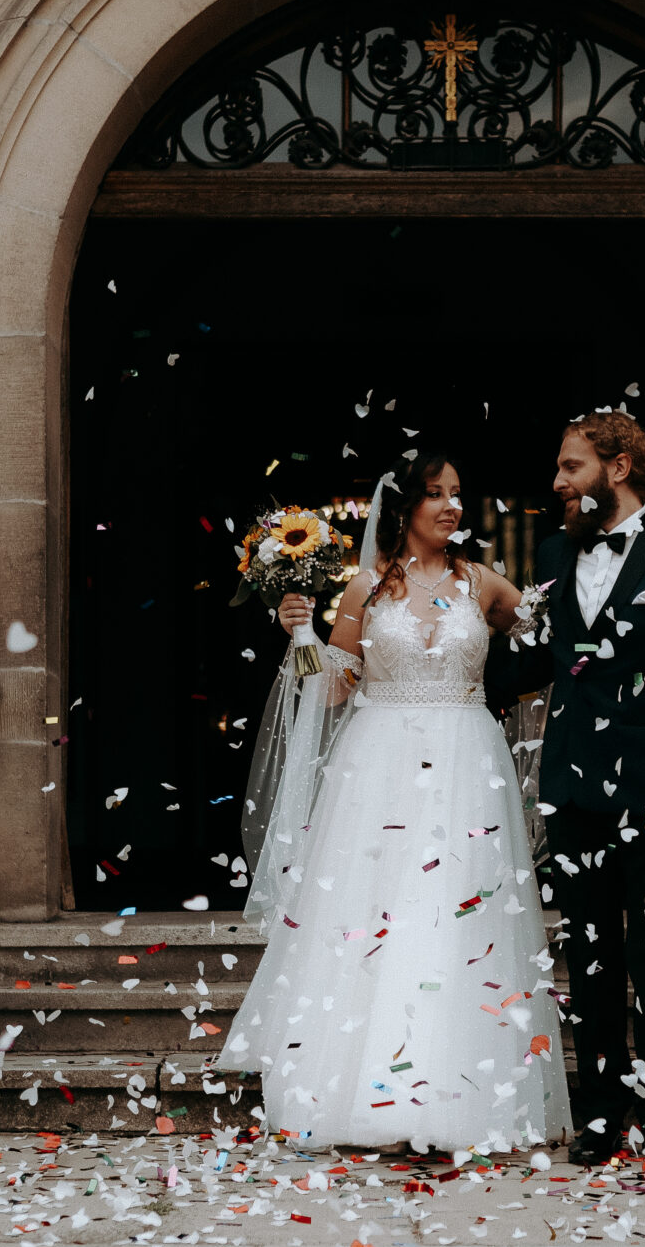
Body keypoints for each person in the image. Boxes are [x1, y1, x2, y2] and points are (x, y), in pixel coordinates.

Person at [220, 449, 570, 1155]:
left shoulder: (482, 583)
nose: (451, 505)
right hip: (379, 764)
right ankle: (366, 1091)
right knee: (377, 915)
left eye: (457, 493)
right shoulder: (368, 589)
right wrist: (300, 633)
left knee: (459, 916)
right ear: (406, 505)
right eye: (436, 493)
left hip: (468, 759)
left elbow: (551, 642)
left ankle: (460, 1095)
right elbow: (333, 687)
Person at [487, 411, 645, 1166]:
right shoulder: (552, 554)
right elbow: (525, 667)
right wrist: (447, 621)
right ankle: (600, 1113)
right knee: (591, 962)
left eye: (571, 466)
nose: (558, 481)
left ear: (620, 467)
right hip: (572, 791)